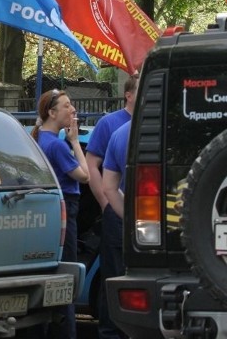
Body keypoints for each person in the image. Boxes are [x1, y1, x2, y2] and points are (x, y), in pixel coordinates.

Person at [31, 88, 89, 339]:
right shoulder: (57, 146)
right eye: (67, 106)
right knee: (66, 277)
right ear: (52, 113)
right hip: (66, 209)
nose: (73, 109)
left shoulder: (37, 140)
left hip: (47, 212)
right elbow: (85, 176)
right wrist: (75, 141)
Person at [85, 74, 138, 339]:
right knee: (114, 275)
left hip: (145, 218)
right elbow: (91, 164)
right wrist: (107, 202)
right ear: (128, 94)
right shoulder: (111, 125)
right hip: (117, 212)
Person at [100, 116, 133, 339]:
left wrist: (130, 218)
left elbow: (109, 187)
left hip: (125, 218)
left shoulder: (120, 134)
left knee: (114, 283)